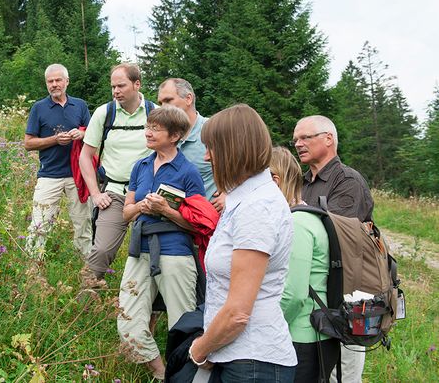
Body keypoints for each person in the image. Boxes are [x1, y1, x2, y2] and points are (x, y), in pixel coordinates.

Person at [189, 104, 296, 383]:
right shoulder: (246, 200)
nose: (207, 156)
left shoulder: (257, 208)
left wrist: (200, 349)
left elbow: (237, 313)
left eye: (212, 148)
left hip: (252, 362)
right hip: (237, 356)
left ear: (233, 150)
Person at [118, 106, 206, 380]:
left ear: (176, 135)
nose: (148, 132)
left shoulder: (188, 172)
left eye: (155, 128)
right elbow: (125, 212)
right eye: (148, 126)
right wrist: (143, 206)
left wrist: (167, 211)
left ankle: (187, 377)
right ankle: (163, 374)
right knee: (128, 322)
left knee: (183, 326)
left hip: (176, 253)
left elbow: (199, 224)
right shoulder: (141, 165)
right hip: (139, 250)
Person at [293, 115, 374, 382]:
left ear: (328, 139)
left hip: (347, 295)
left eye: (306, 137)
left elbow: (338, 234)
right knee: (319, 373)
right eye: (295, 139)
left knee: (344, 373)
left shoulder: (348, 180)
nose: (298, 144)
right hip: (314, 293)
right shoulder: (302, 183)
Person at [79, 63, 155, 282]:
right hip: (113, 192)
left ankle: (151, 307)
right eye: (113, 87)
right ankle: (85, 301)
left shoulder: (155, 113)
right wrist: (95, 194)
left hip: (147, 195)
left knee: (154, 254)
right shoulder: (105, 113)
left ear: (137, 84)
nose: (116, 91)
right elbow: (85, 156)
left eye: (121, 85)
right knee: (101, 250)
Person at [272, 146, 340, 383]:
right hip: (313, 332)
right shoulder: (308, 216)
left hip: (302, 334)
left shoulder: (297, 223)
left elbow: (294, 293)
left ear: (275, 180)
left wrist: (265, 330)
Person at [24, 64, 92, 258]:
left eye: (58, 80)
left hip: (78, 175)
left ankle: (86, 269)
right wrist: (55, 140)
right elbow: (28, 143)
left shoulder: (79, 105)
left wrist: (81, 133)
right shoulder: (39, 107)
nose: (54, 84)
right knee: (39, 224)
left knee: (83, 225)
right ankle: (33, 268)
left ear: (66, 81)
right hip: (49, 175)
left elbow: (91, 133)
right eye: (50, 81)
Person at [156, 78, 218, 205]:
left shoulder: (213, 129)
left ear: (188, 99)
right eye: (160, 103)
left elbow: (244, 167)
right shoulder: (160, 137)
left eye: (168, 100)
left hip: (208, 216)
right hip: (171, 217)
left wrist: (228, 195)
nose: (163, 107)